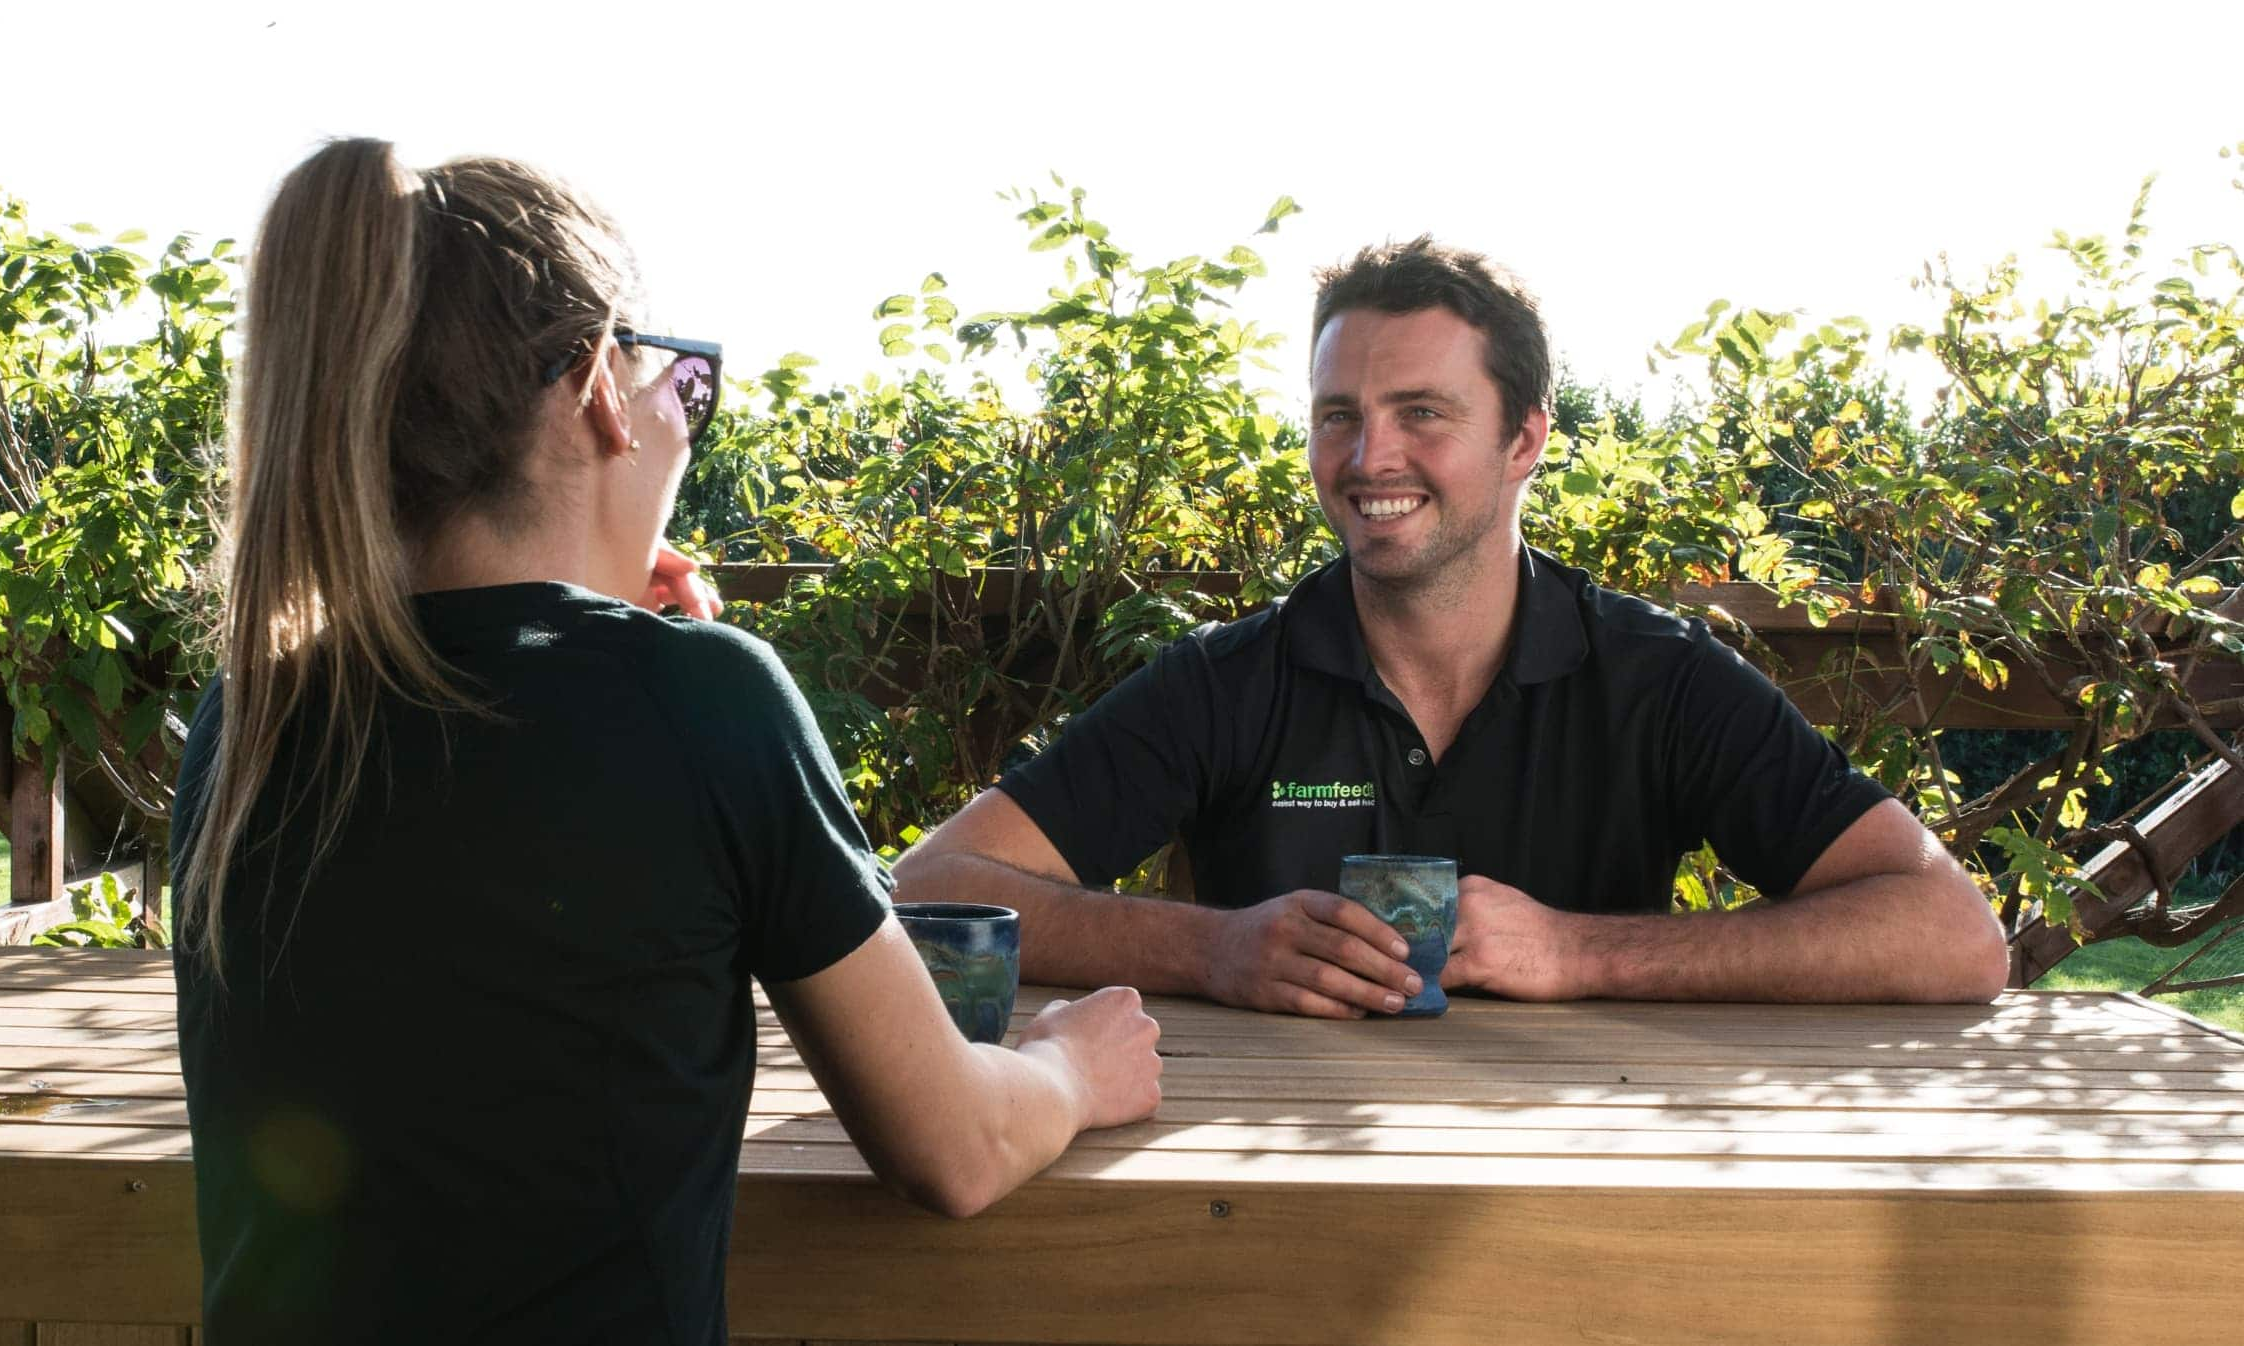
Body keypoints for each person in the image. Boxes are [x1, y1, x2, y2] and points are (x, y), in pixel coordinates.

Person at [169, 139, 1161, 1346]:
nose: (681, 412)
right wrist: (1067, 1065)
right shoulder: (700, 705)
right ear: (597, 385)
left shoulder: (251, 719)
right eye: (677, 383)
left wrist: (610, 625)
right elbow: (954, 1145)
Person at [893, 237, 2008, 1018]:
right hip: (1261, 1186)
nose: (1368, 456)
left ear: (1524, 438)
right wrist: (1215, 946)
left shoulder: (1654, 678)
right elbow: (927, 885)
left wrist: (1580, 952)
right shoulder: (1230, 681)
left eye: (1420, 412)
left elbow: (1951, 932)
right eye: (1338, 415)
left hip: (1589, 1177)